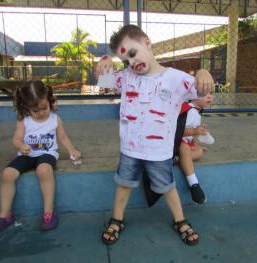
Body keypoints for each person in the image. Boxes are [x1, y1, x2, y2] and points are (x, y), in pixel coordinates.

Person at [96, 24, 214, 246]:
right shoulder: (126, 77)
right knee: (124, 183)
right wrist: (104, 63)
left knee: (167, 186)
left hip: (160, 152)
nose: (131, 62)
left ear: (147, 43)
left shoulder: (176, 79)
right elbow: (105, 82)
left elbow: (205, 92)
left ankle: (180, 220)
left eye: (132, 53)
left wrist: (203, 73)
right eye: (126, 60)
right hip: (130, 149)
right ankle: (117, 219)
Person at [0, 80, 81, 235]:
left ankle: (49, 213)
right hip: (27, 154)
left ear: (50, 102)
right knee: (7, 174)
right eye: (36, 110)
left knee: (44, 170)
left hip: (47, 153)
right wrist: (20, 146)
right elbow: (16, 139)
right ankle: (5, 215)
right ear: (26, 107)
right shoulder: (24, 120)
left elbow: (63, 138)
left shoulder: (55, 119)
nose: (42, 112)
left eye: (45, 108)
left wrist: (72, 150)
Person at [179, 93, 213, 204]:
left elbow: (191, 137)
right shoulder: (189, 111)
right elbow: (178, 131)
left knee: (199, 152)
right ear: (192, 95)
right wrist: (195, 131)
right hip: (177, 143)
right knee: (184, 149)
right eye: (204, 94)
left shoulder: (196, 111)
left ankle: (178, 159)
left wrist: (195, 143)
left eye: (211, 94)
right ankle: (194, 184)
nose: (210, 97)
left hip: (185, 143)